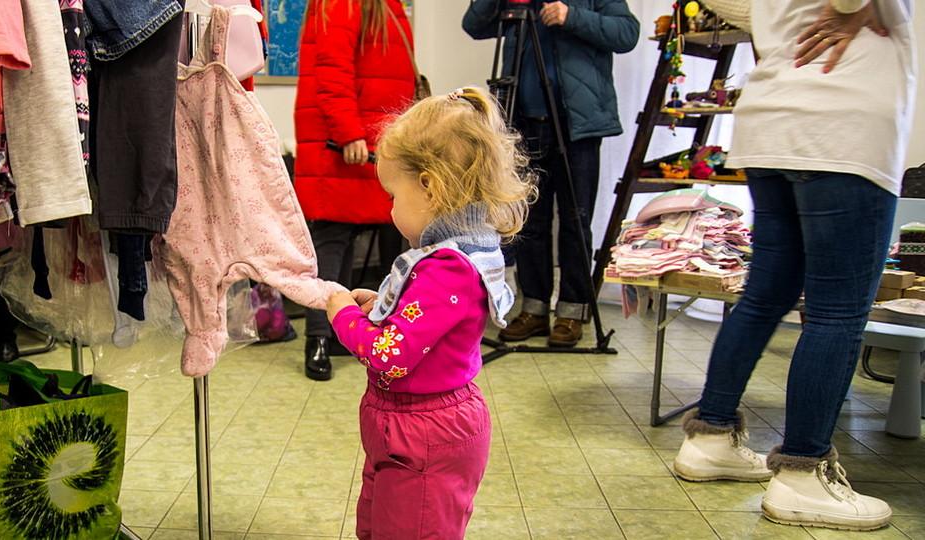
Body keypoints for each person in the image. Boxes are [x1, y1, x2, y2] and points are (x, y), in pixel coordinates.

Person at [674, 0, 916, 531]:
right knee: (836, 312)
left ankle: (710, 439)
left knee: (765, 297)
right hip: (842, 121)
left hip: (771, 117)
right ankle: (803, 477)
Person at [325, 87, 532, 539]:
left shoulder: (447, 269)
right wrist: (380, 304)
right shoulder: (457, 255)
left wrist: (343, 316)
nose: (391, 209)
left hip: (424, 434)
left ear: (429, 188)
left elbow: (389, 355)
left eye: (393, 196)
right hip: (408, 426)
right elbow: (424, 319)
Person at [462, 0, 638, 347]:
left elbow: (627, 33)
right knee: (528, 220)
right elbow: (474, 24)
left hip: (578, 125)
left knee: (576, 218)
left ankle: (572, 311)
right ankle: (534, 309)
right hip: (523, 120)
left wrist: (571, 16)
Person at [295, 0, 417, 380]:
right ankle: (318, 337)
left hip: (368, 135)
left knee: (342, 237)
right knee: (332, 237)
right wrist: (348, 131)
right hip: (347, 141)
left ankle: (334, 332)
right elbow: (332, 68)